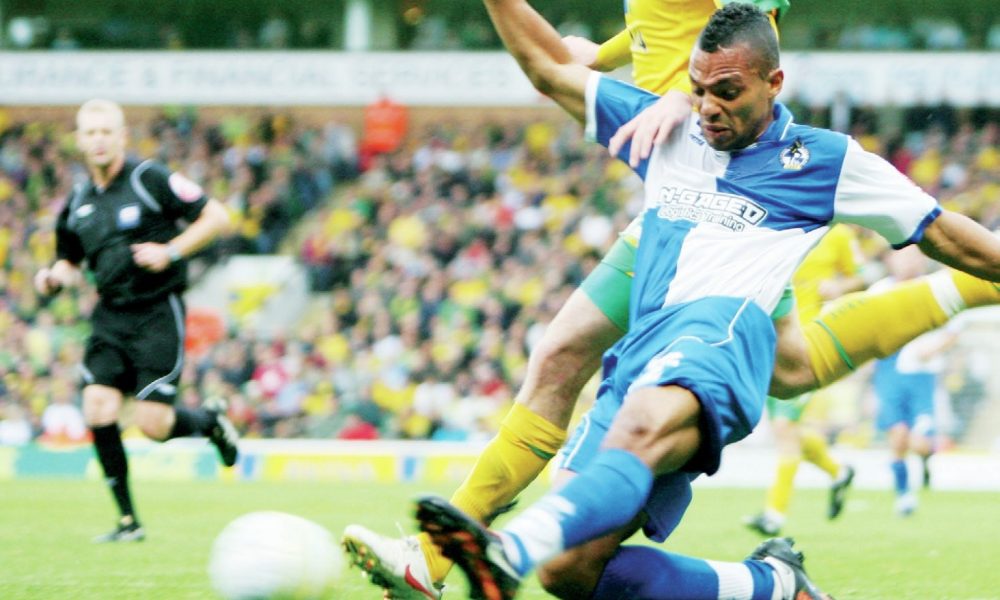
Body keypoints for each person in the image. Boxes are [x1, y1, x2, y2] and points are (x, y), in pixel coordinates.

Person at [342, 0, 1000, 596]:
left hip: (718, 342)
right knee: (571, 571)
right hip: (645, 349)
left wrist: (678, 96)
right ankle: (769, 585)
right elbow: (546, 67)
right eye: (701, 92)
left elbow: (943, 231)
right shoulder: (671, 135)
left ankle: (503, 548)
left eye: (728, 94)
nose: (711, 107)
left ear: (775, 83)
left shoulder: (822, 160)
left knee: (637, 405)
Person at [33, 99, 239, 543]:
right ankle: (129, 522)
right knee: (97, 407)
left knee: (154, 425)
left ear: (123, 136)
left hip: (156, 311)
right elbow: (69, 262)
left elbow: (217, 216)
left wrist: (171, 251)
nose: (100, 140)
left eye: (107, 131)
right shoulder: (77, 201)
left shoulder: (149, 178)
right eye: (91, 133)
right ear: (80, 141)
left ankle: (209, 424)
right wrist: (51, 279)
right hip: (110, 315)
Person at [744, 224, 864, 536]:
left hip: (808, 342)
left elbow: (861, 276)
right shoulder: (781, 223)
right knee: (788, 431)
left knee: (785, 430)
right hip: (771, 339)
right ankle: (839, 471)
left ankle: (774, 515)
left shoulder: (839, 234)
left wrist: (840, 288)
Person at [870, 246, 959, 517]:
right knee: (897, 437)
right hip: (890, 371)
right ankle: (904, 495)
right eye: (902, 256)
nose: (908, 261)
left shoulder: (932, 289)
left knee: (920, 443)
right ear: (891, 260)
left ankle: (925, 461)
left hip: (923, 375)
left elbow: (953, 330)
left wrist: (933, 349)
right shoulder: (879, 292)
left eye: (914, 256)